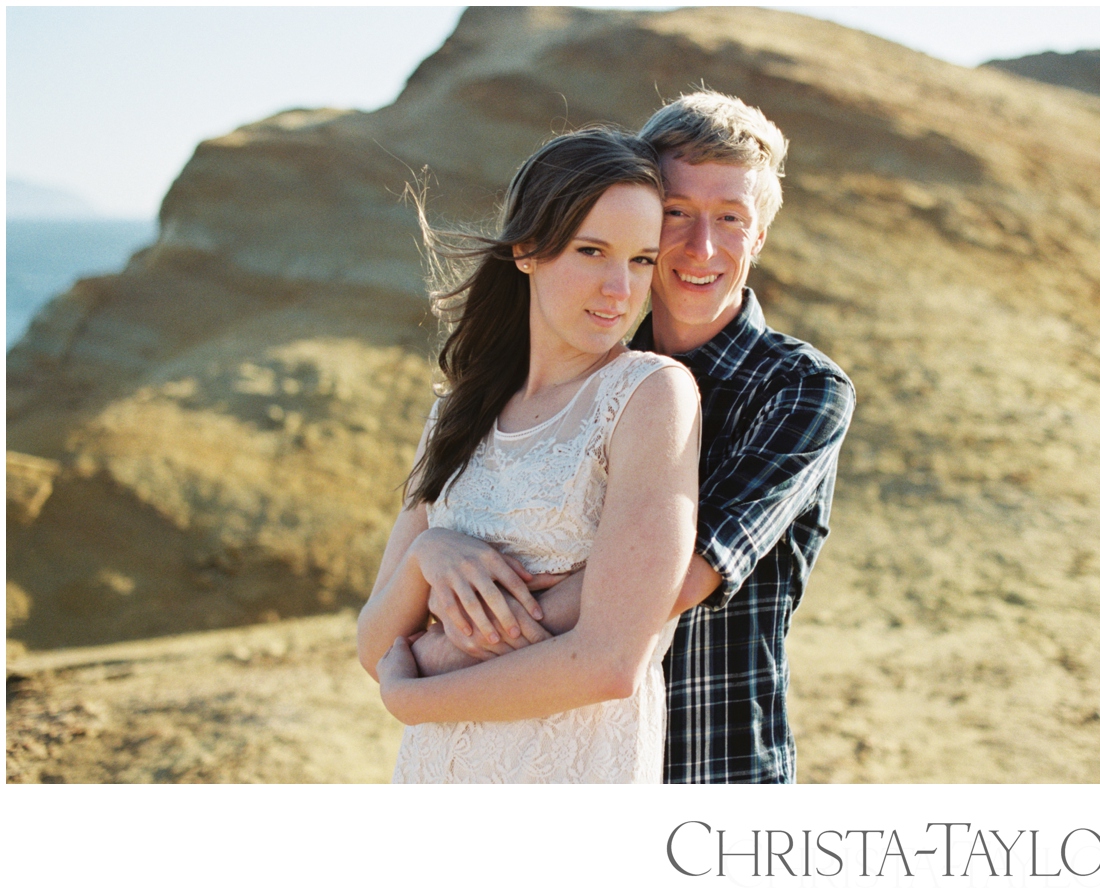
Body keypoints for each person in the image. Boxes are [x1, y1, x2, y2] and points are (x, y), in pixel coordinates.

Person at [415, 91, 856, 784]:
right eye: (677, 213)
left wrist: (438, 656)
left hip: (712, 767)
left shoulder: (799, 390)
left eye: (731, 219)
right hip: (555, 754)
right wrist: (434, 548)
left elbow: (671, 579)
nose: (700, 246)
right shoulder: (587, 378)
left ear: (760, 237)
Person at [356, 126, 702, 783]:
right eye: (591, 250)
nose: (618, 290)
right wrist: (428, 558)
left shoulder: (650, 395)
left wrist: (412, 696)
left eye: (640, 260)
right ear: (526, 250)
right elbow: (376, 645)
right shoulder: (459, 413)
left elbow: (609, 663)